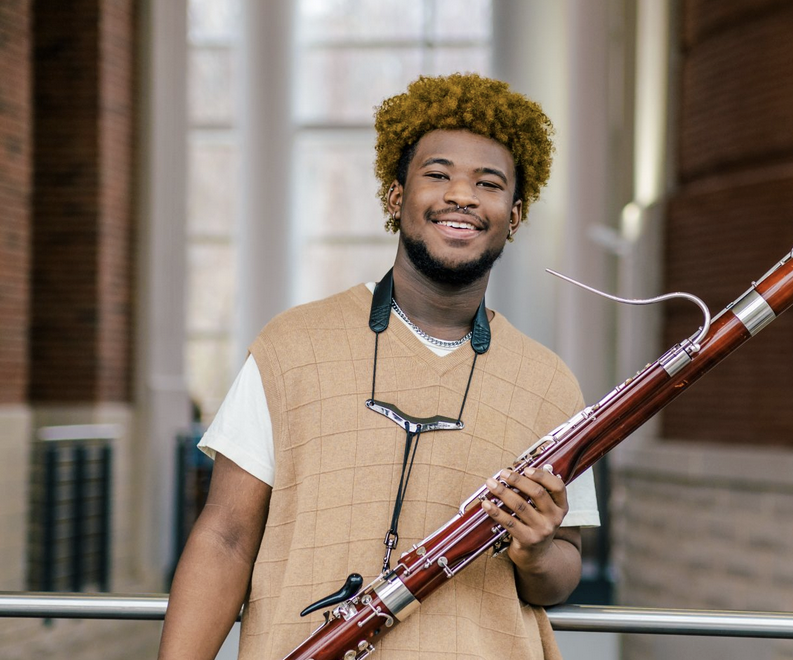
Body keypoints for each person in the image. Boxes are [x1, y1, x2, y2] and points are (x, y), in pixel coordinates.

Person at [158, 73, 599, 660]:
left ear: (514, 214)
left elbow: (562, 571)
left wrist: (538, 551)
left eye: (488, 184)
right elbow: (226, 537)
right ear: (396, 198)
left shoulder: (551, 383)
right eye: (438, 174)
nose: (462, 195)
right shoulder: (291, 346)